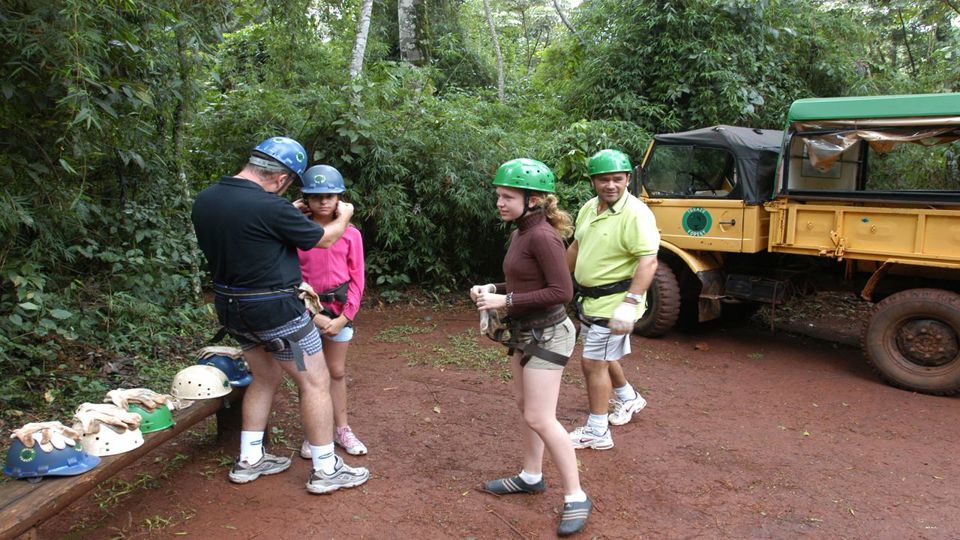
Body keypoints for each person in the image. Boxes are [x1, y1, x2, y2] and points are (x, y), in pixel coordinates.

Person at [191, 136, 370, 494]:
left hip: (231, 306)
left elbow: (253, 237)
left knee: (265, 376)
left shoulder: (207, 199)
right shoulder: (271, 207)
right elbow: (324, 238)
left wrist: (288, 213)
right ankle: (325, 467)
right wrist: (346, 214)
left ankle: (250, 459)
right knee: (315, 381)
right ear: (283, 179)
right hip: (275, 310)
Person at [472, 158, 591, 537]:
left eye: (508, 197)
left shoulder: (542, 236)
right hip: (526, 334)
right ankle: (530, 475)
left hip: (551, 334)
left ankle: (576, 496)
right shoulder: (521, 232)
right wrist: (494, 289)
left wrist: (504, 304)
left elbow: (561, 291)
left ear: (534, 199)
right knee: (527, 409)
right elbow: (525, 284)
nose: (500, 203)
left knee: (541, 417)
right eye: (499, 196)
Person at [567, 149, 660, 451]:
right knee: (605, 357)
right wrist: (556, 279)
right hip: (590, 300)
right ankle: (629, 398)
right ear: (593, 181)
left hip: (616, 301)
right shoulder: (590, 208)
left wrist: (630, 303)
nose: (611, 185)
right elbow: (577, 247)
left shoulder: (636, 214)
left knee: (593, 362)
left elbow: (649, 261)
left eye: (617, 179)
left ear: (628, 179)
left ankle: (598, 430)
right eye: (603, 179)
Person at [296, 164, 368, 457]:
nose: (323, 201)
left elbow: (357, 277)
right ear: (305, 200)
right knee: (308, 375)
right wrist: (313, 314)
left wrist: (344, 318)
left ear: (340, 198)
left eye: (330, 195)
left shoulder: (351, 234)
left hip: (339, 311)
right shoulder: (296, 233)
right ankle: (314, 433)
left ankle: (342, 429)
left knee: (335, 371)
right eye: (315, 196)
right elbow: (288, 276)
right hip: (302, 313)